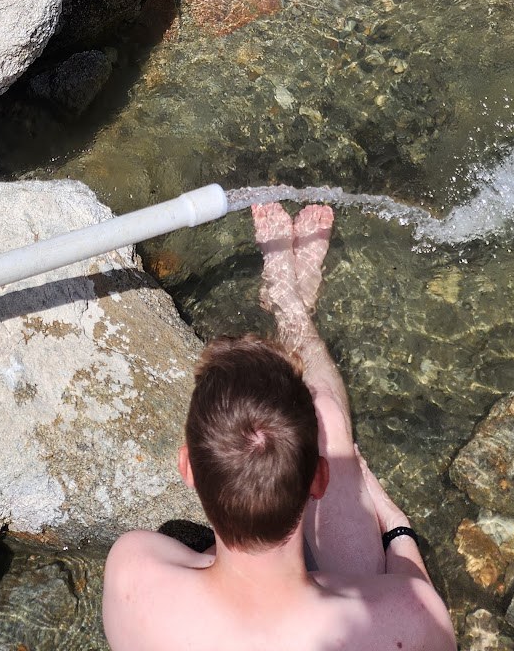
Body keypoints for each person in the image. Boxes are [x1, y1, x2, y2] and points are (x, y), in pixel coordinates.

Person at [103, 201, 456, 651]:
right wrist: (396, 526)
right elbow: (413, 596)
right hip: (333, 602)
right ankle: (291, 309)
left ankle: (289, 302)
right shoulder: (409, 620)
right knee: (325, 414)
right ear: (318, 478)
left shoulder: (131, 570)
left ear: (188, 468)